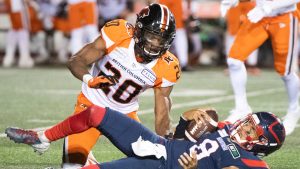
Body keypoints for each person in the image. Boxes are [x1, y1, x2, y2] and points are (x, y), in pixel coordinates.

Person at [57, 3, 180, 168]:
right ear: (139, 30)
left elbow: (162, 117)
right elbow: (76, 61)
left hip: (124, 115)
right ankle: (86, 159)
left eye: (161, 40)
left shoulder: (167, 66)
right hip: (90, 108)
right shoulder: (119, 33)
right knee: (71, 166)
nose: (155, 45)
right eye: (152, 36)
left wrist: (170, 141)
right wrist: (89, 79)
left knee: (160, 161)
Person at [5, 106, 286, 169]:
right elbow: (181, 134)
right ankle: (43, 137)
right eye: (247, 123)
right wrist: (189, 116)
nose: (243, 128)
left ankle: (84, 160)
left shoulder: (254, 164)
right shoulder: (221, 125)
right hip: (159, 145)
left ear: (261, 144)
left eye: (251, 131)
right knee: (96, 113)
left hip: (161, 167)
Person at [221, 0, 300, 135]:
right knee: (234, 60)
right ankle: (241, 108)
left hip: (284, 16)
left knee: (286, 72)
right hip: (259, 14)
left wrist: (269, 7)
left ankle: (294, 111)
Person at [224, 1, 261, 76]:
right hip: (234, 4)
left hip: (250, 3)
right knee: (232, 33)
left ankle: (252, 65)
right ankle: (231, 64)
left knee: (252, 34)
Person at [3, 0, 34, 68]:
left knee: (21, 33)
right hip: (11, 10)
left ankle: (24, 58)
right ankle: (10, 58)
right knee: (13, 33)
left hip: (19, 10)